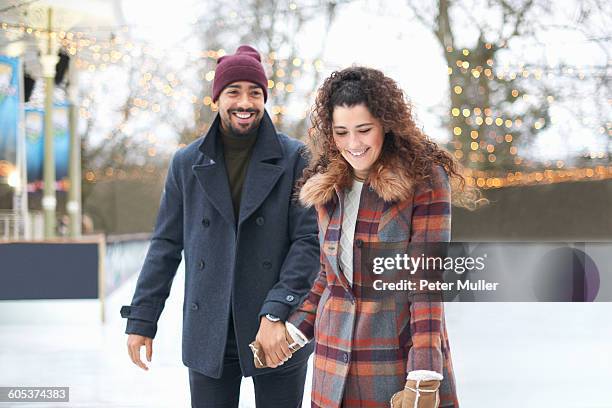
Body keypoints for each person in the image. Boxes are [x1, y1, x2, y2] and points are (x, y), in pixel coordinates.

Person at [252, 66, 477, 407]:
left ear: (386, 124)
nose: (353, 144)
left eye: (363, 130)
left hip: (393, 361)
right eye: (341, 132)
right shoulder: (326, 185)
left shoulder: (424, 181)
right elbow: (329, 279)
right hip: (331, 364)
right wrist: (294, 331)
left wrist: (424, 374)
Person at [120, 45, 320, 408]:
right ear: (217, 98)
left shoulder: (296, 158)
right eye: (234, 91)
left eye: (255, 93)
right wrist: (141, 320)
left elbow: (308, 242)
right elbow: (165, 245)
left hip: (274, 325)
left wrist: (276, 310)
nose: (245, 102)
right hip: (209, 328)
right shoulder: (186, 162)